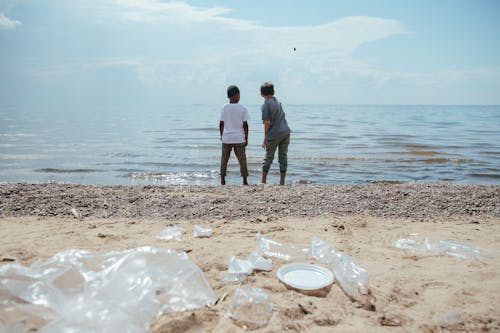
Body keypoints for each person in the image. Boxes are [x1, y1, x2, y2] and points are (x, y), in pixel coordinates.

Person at [260, 82, 291, 185]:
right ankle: (282, 181)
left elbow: (267, 123)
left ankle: (263, 181)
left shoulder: (265, 105)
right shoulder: (278, 102)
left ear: (261, 94)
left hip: (274, 134)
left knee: (269, 156)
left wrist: (265, 138)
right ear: (273, 92)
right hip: (285, 132)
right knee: (283, 156)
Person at [219, 85, 249, 185]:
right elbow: (245, 125)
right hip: (239, 138)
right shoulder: (242, 108)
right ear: (237, 95)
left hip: (227, 138)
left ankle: (222, 179)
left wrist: (221, 135)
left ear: (228, 96)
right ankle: (244, 180)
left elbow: (221, 123)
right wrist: (246, 137)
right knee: (242, 160)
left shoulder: (224, 107)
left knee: (224, 160)